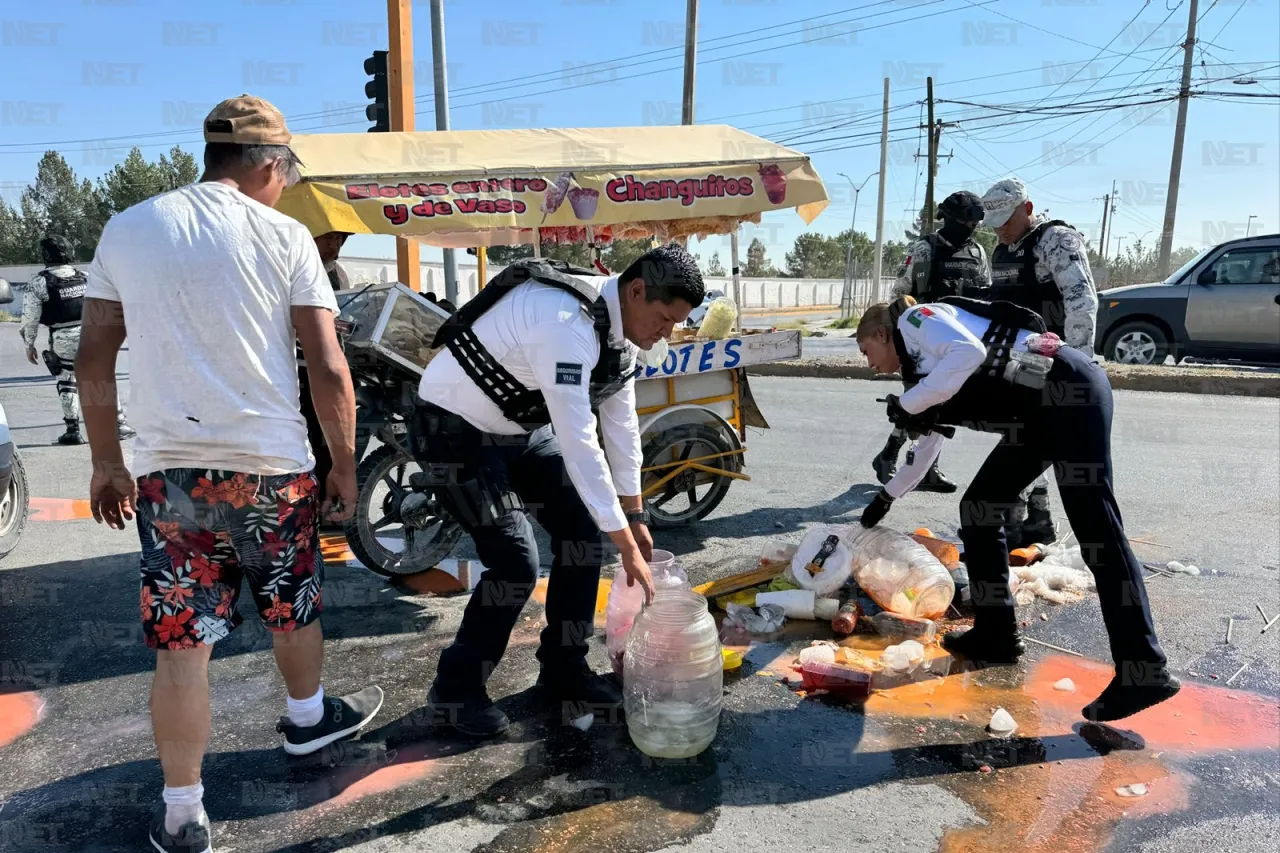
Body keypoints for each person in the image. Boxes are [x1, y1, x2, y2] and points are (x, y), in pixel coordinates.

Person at [76, 94, 383, 853]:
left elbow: (93, 359)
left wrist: (107, 462)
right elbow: (329, 368)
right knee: (293, 605)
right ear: (271, 165)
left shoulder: (129, 227)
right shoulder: (285, 237)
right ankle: (308, 721)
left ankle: (184, 814)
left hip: (169, 480)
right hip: (272, 475)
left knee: (183, 650)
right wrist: (346, 466)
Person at [412, 243, 704, 737]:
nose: (665, 334)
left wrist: (635, 517)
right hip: (451, 429)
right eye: (663, 318)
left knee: (582, 537)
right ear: (636, 291)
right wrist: (626, 545)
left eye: (674, 323)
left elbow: (621, 423)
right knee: (514, 560)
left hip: (516, 428)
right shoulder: (565, 324)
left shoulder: (621, 334)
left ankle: (564, 667)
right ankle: (455, 692)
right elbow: (580, 442)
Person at [854, 294, 1180, 722]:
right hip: (1038, 416)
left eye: (866, 351)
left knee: (1099, 534)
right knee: (980, 508)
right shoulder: (924, 370)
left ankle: (1145, 670)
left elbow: (969, 352)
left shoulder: (916, 319)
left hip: (1072, 395)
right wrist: (885, 498)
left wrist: (909, 404)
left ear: (881, 333)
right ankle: (996, 635)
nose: (869, 363)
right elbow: (927, 447)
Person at [975, 177, 1101, 548]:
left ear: (1027, 210)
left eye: (1006, 221)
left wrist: (1077, 365)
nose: (999, 230)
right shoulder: (1003, 249)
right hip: (1014, 362)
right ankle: (1039, 518)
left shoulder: (1056, 240)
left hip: (1055, 362)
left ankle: (1010, 526)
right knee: (1021, 437)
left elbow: (1082, 302)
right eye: (993, 223)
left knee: (1034, 440)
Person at [874, 190, 992, 493]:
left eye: (975, 220)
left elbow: (987, 295)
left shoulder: (978, 252)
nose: (970, 225)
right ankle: (898, 457)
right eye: (965, 218)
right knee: (921, 400)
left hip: (957, 339)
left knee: (944, 404)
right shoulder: (925, 248)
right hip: (924, 336)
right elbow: (899, 293)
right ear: (948, 217)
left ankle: (909, 461)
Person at [19, 234, 134, 445]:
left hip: (62, 337)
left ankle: (72, 430)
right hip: (93, 335)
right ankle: (118, 425)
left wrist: (29, 345)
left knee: (66, 380)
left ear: (45, 255)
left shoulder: (38, 283)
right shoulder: (85, 277)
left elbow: (30, 318)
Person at [299, 231, 351, 497]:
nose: (335, 245)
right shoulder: (297, 267)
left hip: (323, 366)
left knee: (327, 441)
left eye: (340, 239)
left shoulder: (336, 274)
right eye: (329, 238)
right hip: (301, 371)